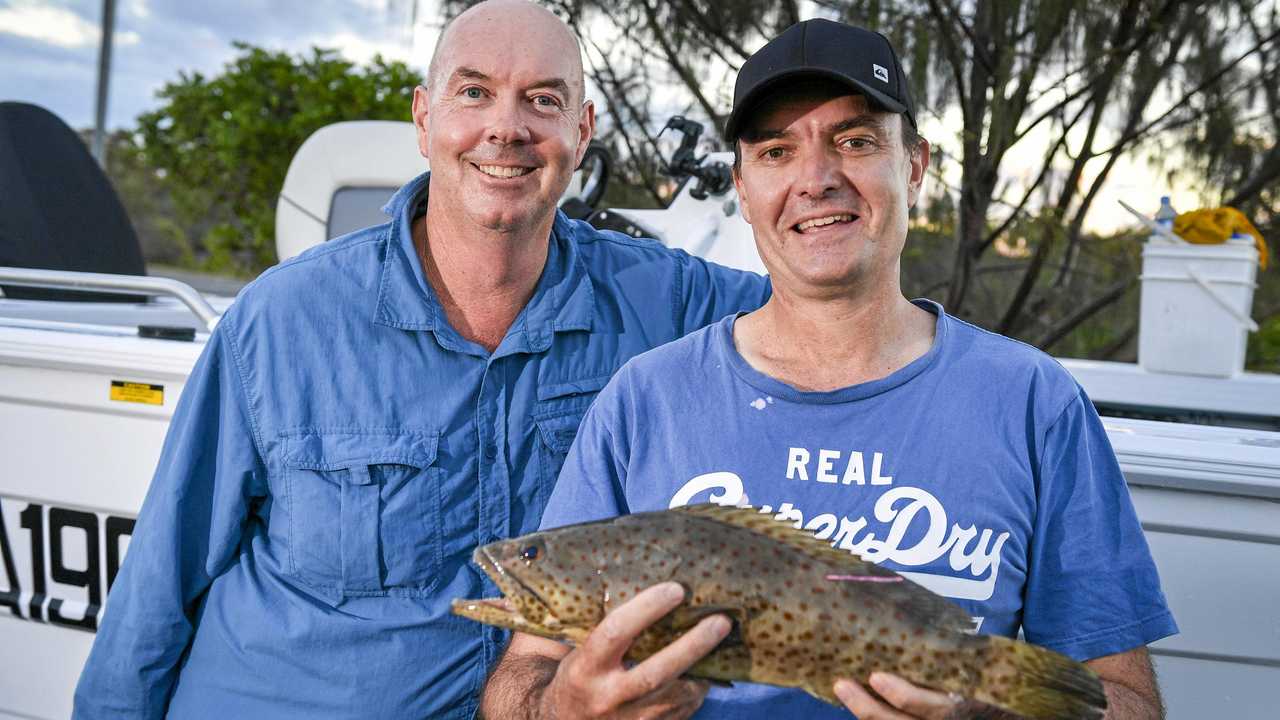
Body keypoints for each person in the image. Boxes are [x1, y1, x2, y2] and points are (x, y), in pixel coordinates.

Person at [71, 2, 768, 717]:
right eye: (474, 92)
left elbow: (832, 317)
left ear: (581, 131)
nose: (507, 126)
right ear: (424, 119)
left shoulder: (666, 301)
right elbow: (159, 586)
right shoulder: (279, 323)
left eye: (543, 100)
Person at [483, 18, 1176, 720]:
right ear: (743, 188)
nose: (817, 179)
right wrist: (558, 709)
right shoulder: (645, 398)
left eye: (854, 141)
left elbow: (1126, 702)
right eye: (778, 151)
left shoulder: (1033, 400)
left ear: (914, 165)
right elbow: (522, 680)